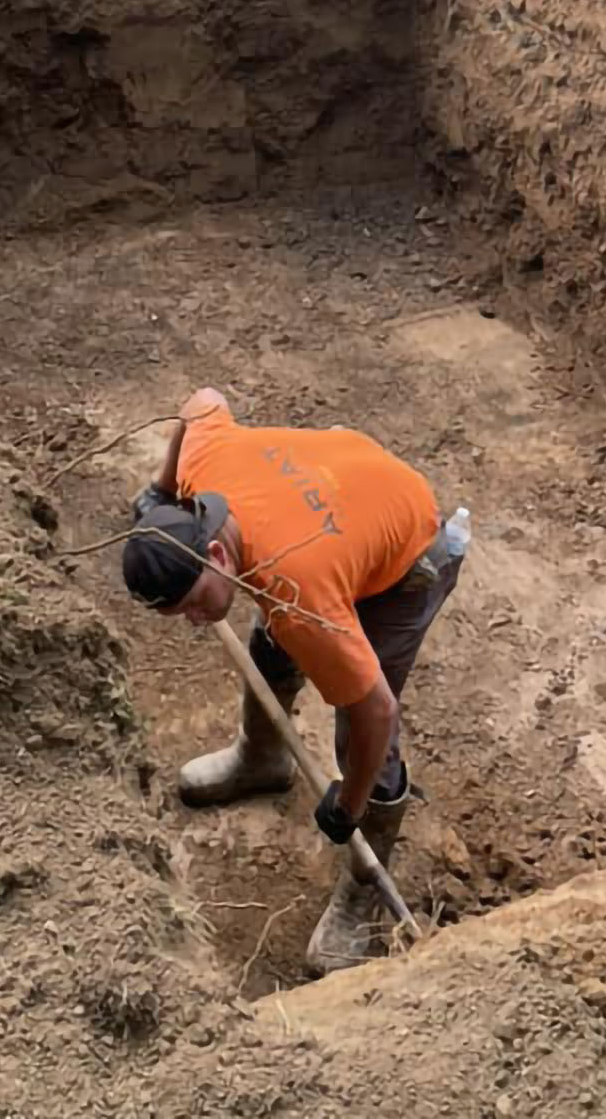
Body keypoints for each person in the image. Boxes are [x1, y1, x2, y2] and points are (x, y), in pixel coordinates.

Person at [123, 387, 463, 974]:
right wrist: (159, 487)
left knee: (356, 728)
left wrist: (347, 804)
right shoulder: (201, 475)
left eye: (198, 604)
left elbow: (377, 710)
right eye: (181, 614)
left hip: (408, 552)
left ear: (215, 551)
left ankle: (362, 892)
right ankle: (263, 761)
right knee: (272, 644)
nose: (200, 622)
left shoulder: (299, 592)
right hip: (340, 482)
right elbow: (202, 402)